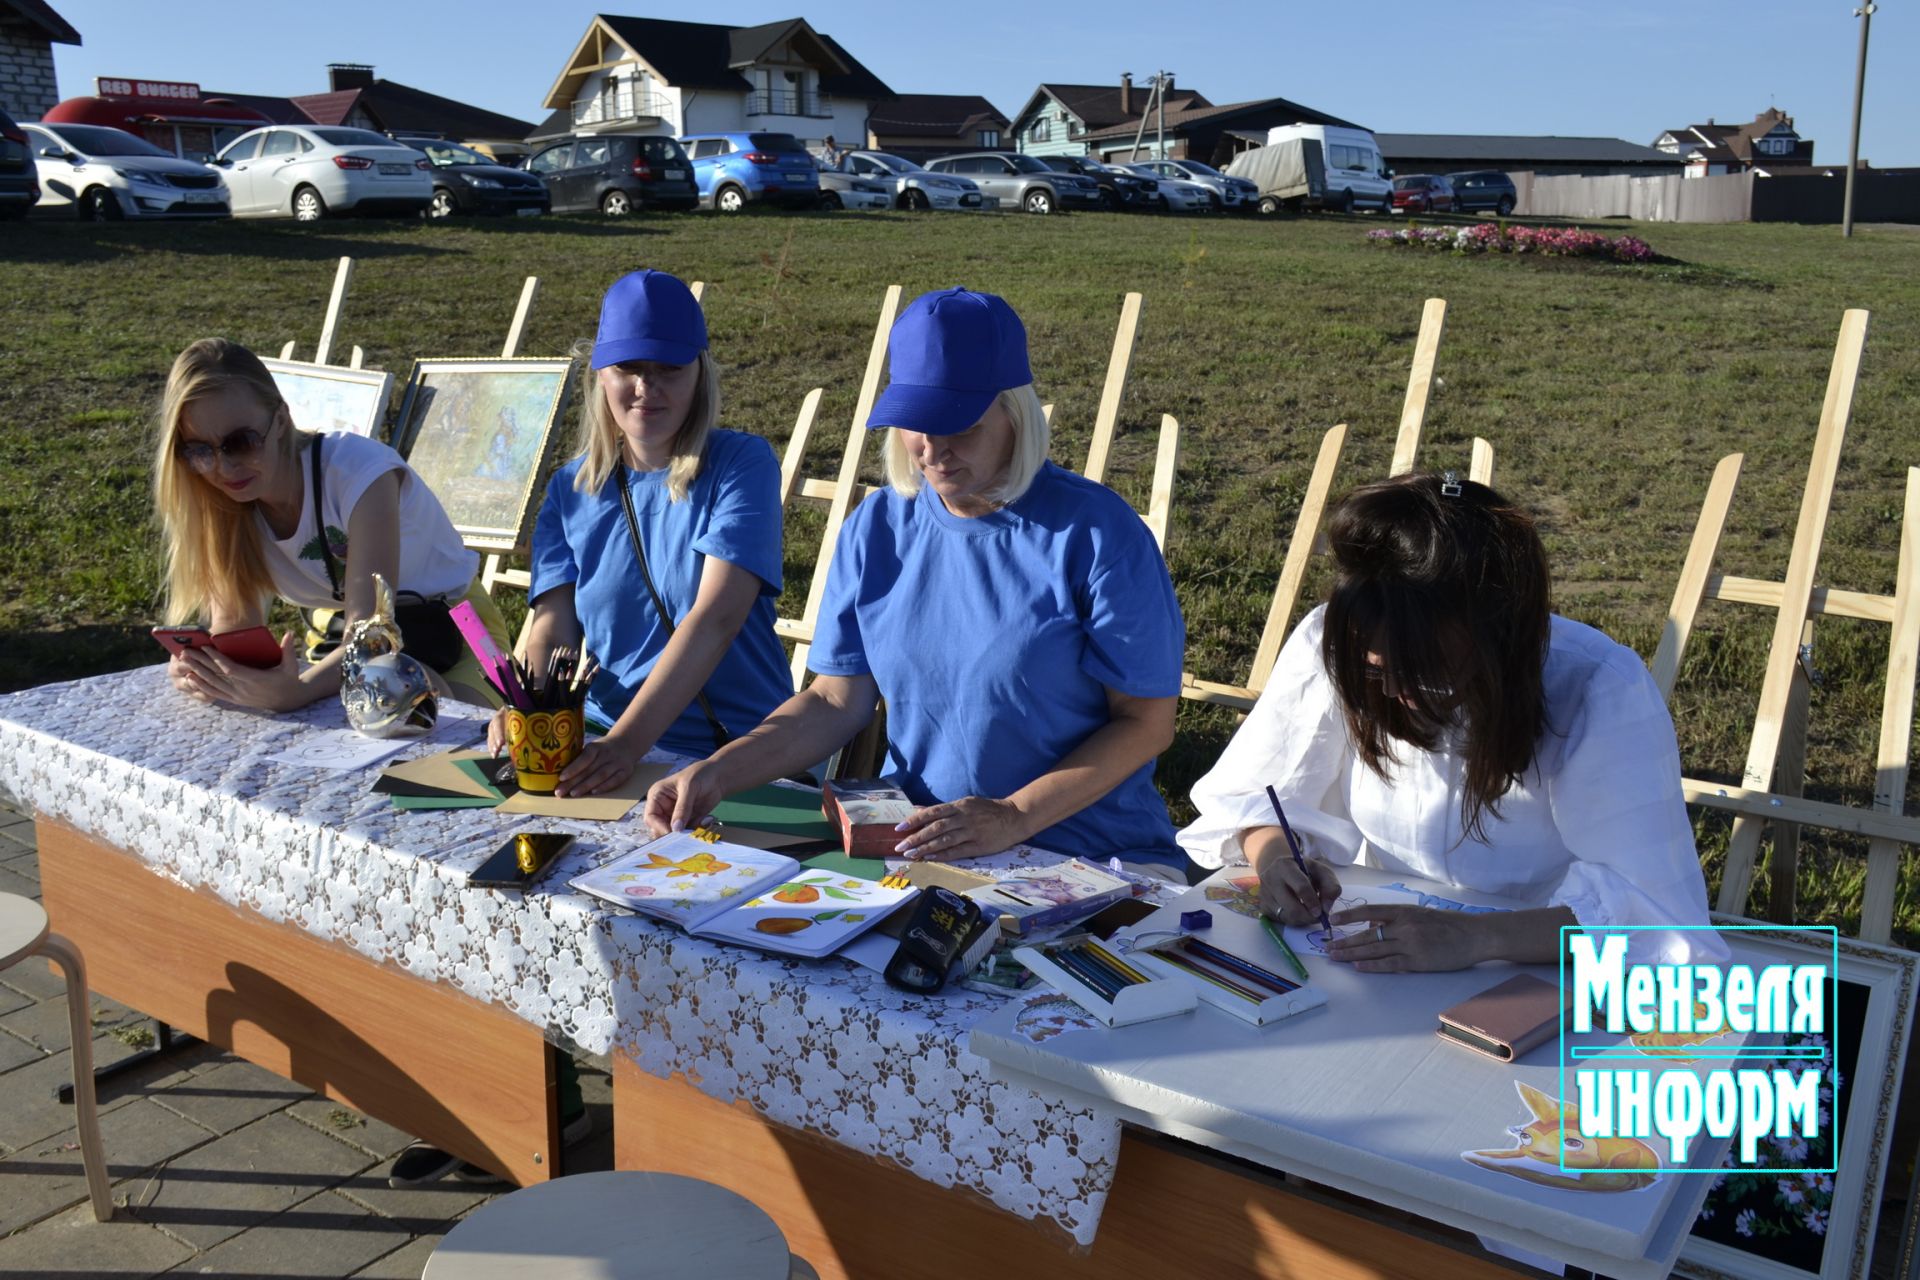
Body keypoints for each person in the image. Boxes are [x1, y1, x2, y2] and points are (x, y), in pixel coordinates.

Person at [645, 287, 1189, 878]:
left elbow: (1146, 723)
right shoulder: (877, 527)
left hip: (1089, 855)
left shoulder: (1098, 533)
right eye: (914, 424)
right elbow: (834, 700)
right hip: (922, 843)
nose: (933, 450)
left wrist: (1012, 816)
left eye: (959, 427)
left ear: (1015, 411)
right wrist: (719, 772)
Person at [1176, 472, 1712, 971]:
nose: (1389, 692)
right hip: (1375, 948)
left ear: (1496, 641)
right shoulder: (1337, 639)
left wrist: (1477, 938)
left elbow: (1652, 914)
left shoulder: (1597, 687)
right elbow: (1262, 795)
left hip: (1531, 968)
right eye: (1370, 669)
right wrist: (1275, 861)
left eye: (1423, 673)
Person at [485, 268, 791, 798]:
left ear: (700, 373)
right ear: (600, 373)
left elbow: (715, 619)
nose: (646, 388)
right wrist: (528, 708)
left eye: (668, 368)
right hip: (600, 742)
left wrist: (628, 745)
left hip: (730, 755)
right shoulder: (568, 488)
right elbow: (552, 627)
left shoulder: (743, 464)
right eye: (628, 367)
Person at [155, 338, 508, 711]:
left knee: (426, 717)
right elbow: (236, 632)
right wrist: (210, 671)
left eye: (240, 443)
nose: (223, 468)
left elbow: (371, 637)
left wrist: (297, 690)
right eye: (198, 450)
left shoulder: (358, 472)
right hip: (348, 654)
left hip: (462, 634)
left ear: (280, 419)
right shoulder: (220, 504)